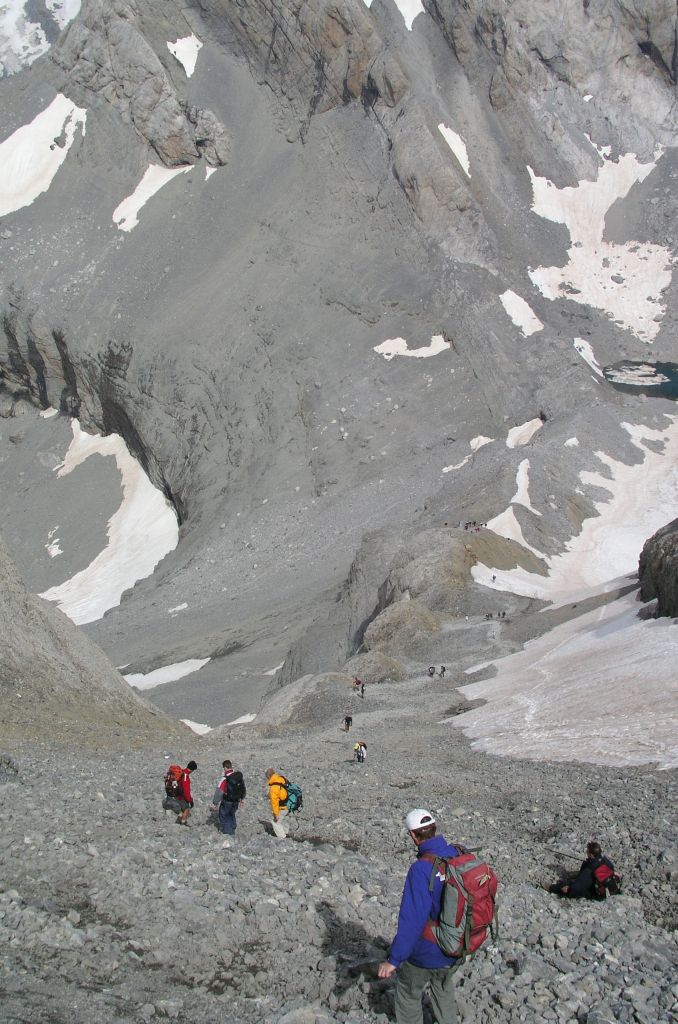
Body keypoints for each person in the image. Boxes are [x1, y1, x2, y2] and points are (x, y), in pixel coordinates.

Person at [378, 809, 462, 1024]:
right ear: (434, 829)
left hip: (429, 949)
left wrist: (394, 960)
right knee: (443, 987)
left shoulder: (421, 869)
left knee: (408, 991)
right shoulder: (457, 855)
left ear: (413, 835)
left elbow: (412, 920)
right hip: (457, 944)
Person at [549, 841, 618, 899]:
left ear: (591, 855)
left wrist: (569, 889)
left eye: (587, 851)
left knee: (564, 886)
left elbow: (579, 886)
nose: (586, 852)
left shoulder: (589, 869)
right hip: (609, 888)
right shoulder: (605, 861)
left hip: (595, 893)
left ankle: (550, 888)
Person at [211, 759, 246, 836]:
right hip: (236, 800)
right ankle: (233, 828)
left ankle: (228, 833)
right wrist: (242, 798)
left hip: (227, 801)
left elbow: (219, 792)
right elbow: (242, 788)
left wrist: (215, 803)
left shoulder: (225, 778)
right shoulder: (238, 776)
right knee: (231, 814)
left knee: (224, 815)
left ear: (225, 768)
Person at [266, 768, 289, 839]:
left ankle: (283, 837)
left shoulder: (273, 788)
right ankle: (286, 832)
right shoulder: (281, 779)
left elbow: (274, 803)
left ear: (269, 777)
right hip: (288, 804)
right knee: (282, 820)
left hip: (283, 807)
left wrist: (276, 814)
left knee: (276, 822)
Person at [176, 760, 197, 826]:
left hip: (177, 793)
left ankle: (178, 819)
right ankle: (183, 822)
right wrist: (190, 800)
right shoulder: (186, 776)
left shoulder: (181, 771)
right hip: (181, 795)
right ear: (192, 769)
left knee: (183, 806)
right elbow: (186, 791)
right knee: (186, 808)